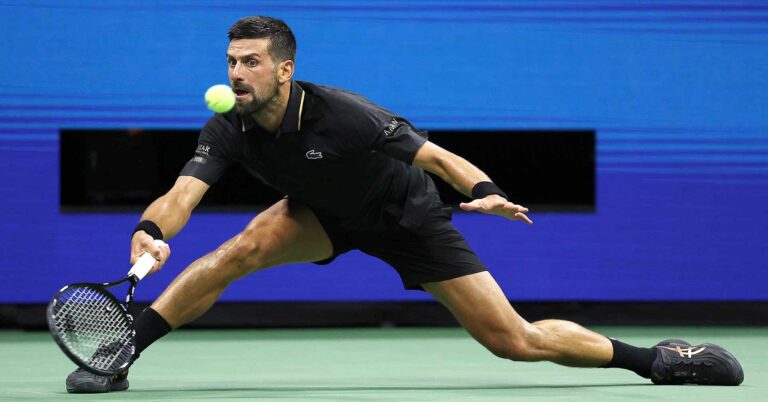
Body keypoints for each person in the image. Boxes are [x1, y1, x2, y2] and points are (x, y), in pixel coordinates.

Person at [65, 16, 743, 393]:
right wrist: (151, 231)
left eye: (249, 62)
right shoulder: (228, 127)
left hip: (407, 215)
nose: (235, 73)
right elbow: (184, 193)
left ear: (284, 69)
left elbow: (439, 158)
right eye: (231, 61)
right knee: (233, 252)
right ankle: (121, 352)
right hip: (321, 214)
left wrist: (485, 193)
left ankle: (657, 360)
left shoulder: (344, 114)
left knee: (514, 341)